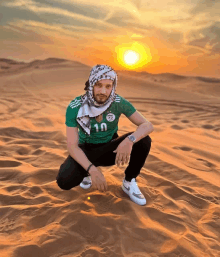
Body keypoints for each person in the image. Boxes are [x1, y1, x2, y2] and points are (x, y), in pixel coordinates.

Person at [56, 64, 154, 206]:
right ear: (90, 84)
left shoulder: (118, 102)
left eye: (108, 86)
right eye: (99, 85)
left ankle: (128, 182)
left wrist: (130, 140)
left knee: (144, 140)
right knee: (64, 181)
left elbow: (147, 125)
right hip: (86, 150)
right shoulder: (75, 106)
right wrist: (92, 170)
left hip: (110, 149)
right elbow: (72, 146)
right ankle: (86, 172)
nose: (103, 91)